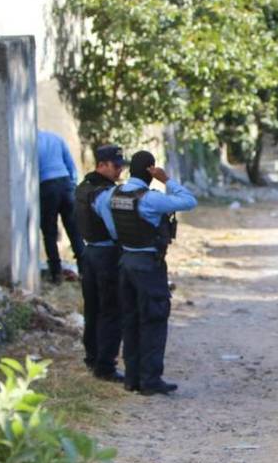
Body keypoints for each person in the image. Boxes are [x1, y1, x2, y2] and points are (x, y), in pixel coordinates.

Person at [97, 151, 197, 395]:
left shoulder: (112, 194)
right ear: (151, 170)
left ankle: (132, 379)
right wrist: (167, 180)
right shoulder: (151, 199)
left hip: (125, 262)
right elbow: (188, 201)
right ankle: (151, 380)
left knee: (130, 320)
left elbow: (107, 221)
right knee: (153, 319)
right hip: (148, 265)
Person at [75, 145, 127, 381]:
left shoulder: (83, 188)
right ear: (102, 165)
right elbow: (115, 230)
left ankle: (92, 358)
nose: (119, 171)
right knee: (111, 310)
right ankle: (105, 365)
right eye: (116, 166)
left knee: (92, 309)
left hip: (89, 253)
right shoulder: (105, 194)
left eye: (121, 166)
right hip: (106, 255)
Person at [37, 130, 84, 283]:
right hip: (65, 184)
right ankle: (85, 271)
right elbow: (71, 165)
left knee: (49, 232)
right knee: (74, 230)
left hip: (46, 187)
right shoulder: (56, 137)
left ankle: (56, 274)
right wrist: (73, 186)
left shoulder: (30, 141)